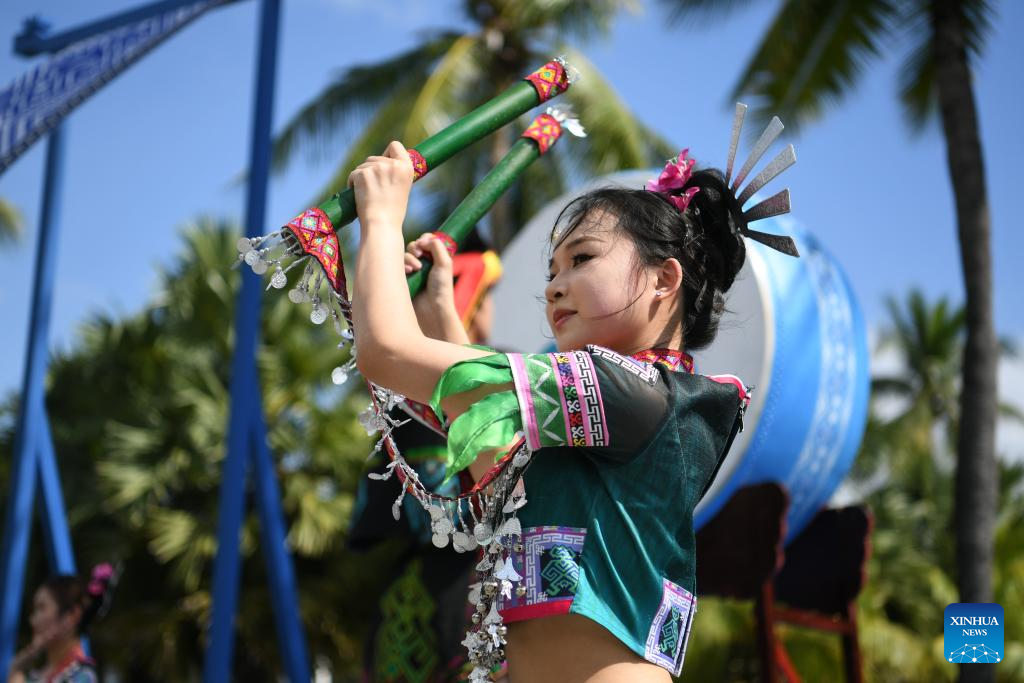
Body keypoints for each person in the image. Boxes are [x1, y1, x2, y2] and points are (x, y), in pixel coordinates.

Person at [347, 111, 796, 682]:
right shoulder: (617, 407)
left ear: (665, 279)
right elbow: (498, 450)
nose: (555, 285)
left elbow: (386, 350)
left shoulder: (632, 393)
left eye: (582, 259)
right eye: (552, 270)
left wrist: (381, 221)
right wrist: (441, 312)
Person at [348, 234, 503, 682]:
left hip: (468, 581)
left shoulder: (496, 373)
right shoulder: (406, 394)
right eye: (487, 294)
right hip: (436, 593)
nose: (488, 313)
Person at [7, 564, 117, 683]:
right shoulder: (34, 676)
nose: (33, 619)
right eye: (34, 610)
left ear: (72, 616)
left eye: (42, 608)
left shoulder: (82, 677)